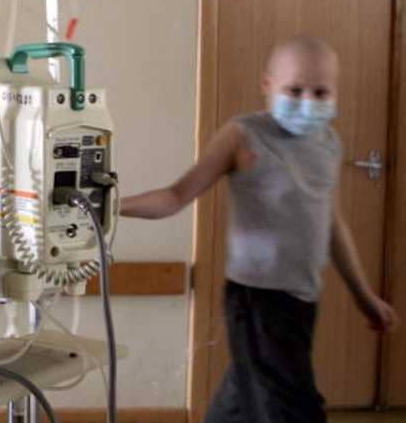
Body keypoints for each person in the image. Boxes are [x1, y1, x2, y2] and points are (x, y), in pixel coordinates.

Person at [120, 35, 399, 423]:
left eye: (321, 92)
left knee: (246, 394)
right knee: (291, 408)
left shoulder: (328, 144)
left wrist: (364, 296)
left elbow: (332, 224)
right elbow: (174, 197)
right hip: (258, 302)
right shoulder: (243, 136)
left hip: (302, 301)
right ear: (267, 85)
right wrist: (110, 207)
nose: (307, 101)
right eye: (294, 90)